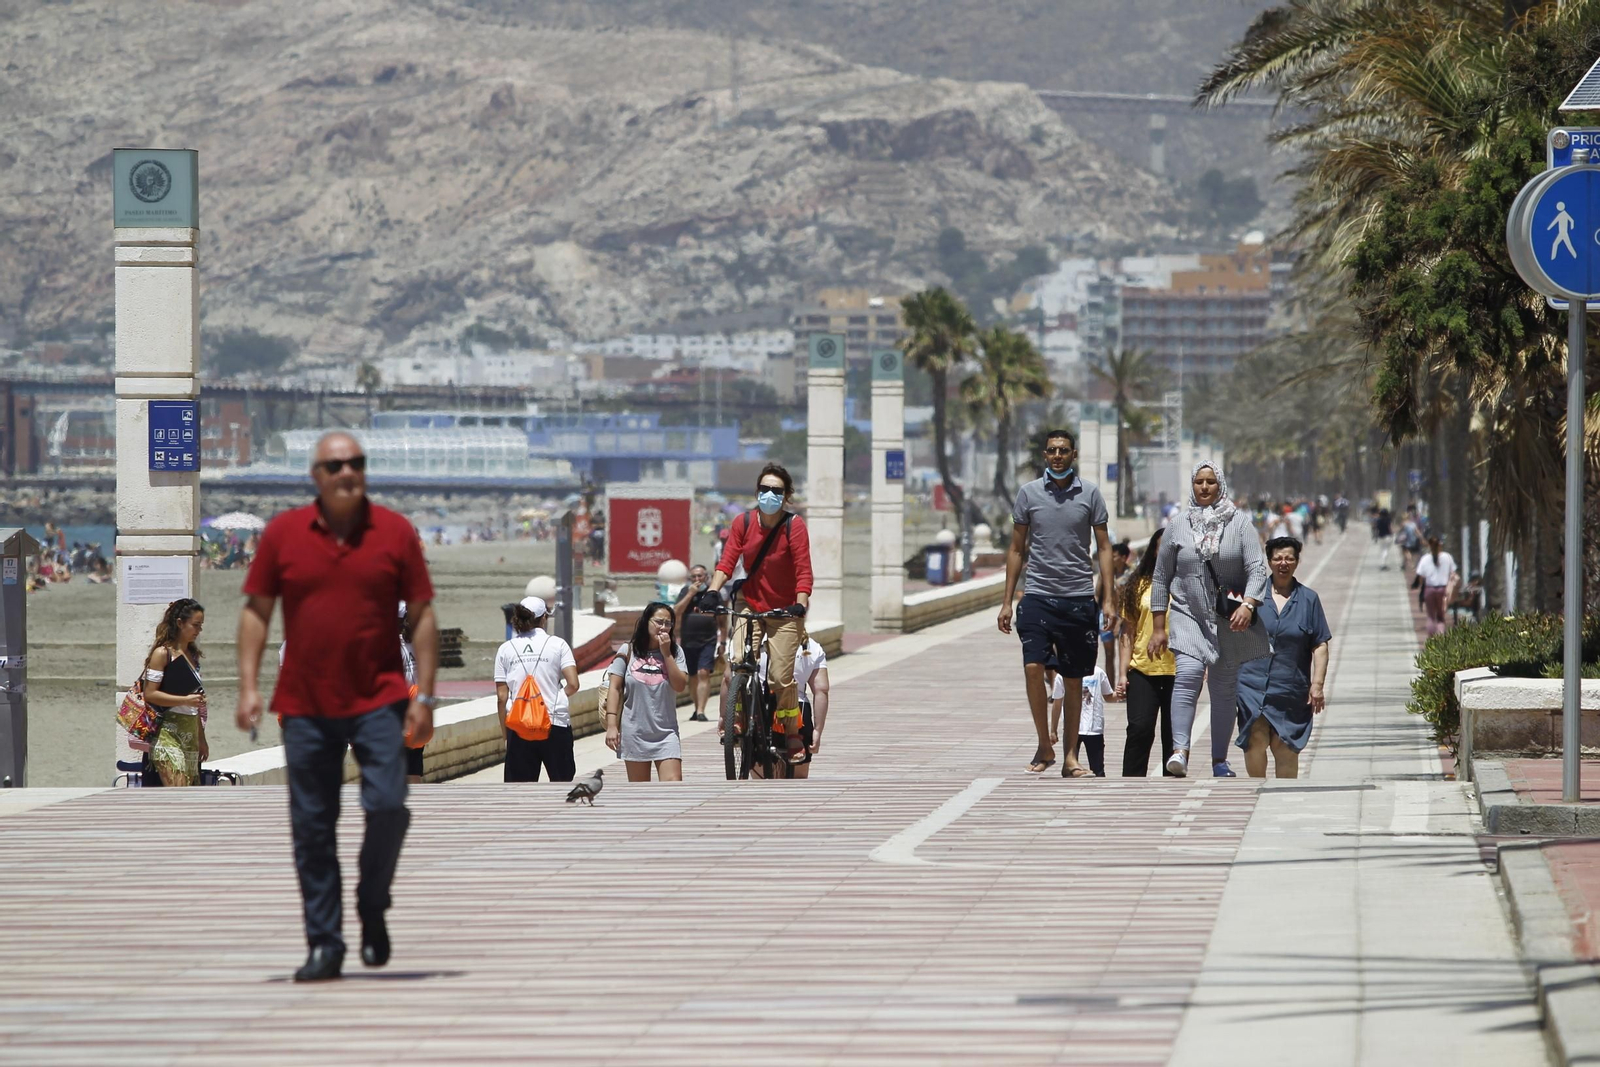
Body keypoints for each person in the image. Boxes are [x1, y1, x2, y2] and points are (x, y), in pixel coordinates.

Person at [236, 431, 439, 983]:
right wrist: (249, 686)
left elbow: (421, 615)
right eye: (334, 465)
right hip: (305, 704)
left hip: (380, 699)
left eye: (356, 463)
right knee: (312, 824)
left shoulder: (395, 532)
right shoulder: (284, 534)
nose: (346, 472)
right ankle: (325, 942)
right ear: (316, 475)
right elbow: (256, 612)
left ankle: (372, 901)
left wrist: (425, 695)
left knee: (390, 805)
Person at [998, 429, 1118, 778]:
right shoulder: (1028, 494)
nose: (1057, 456)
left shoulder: (1091, 494)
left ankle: (1069, 757)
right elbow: (1017, 549)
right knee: (1033, 667)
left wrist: (1108, 599)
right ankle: (1043, 744)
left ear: (1073, 454)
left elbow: (1105, 548)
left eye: (1063, 450)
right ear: (1044, 455)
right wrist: (1006, 601)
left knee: (1074, 679)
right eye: (1051, 450)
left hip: (1079, 598)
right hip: (1037, 595)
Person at [1148, 461, 1269, 778]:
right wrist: (1158, 627)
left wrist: (1250, 605)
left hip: (1229, 618)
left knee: (1224, 687)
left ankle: (1219, 760)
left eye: (1211, 482)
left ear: (1221, 485)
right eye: (1199, 482)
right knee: (1187, 675)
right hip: (1187, 612)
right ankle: (1179, 751)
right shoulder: (1178, 525)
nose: (1204, 487)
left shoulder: (1240, 524)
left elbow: (1257, 568)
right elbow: (1161, 578)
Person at [700, 463, 813, 764]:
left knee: (779, 677)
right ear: (756, 492)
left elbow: (803, 571)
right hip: (749, 603)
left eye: (776, 490)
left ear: (786, 495)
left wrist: (800, 603)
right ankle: (736, 718)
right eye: (764, 489)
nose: (769, 495)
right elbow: (727, 562)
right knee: (737, 661)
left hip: (786, 610)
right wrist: (713, 591)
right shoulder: (744, 522)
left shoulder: (794, 526)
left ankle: (791, 732)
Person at [1235, 537, 1331, 778]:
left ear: (1297, 562)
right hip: (1251, 685)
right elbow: (1230, 635)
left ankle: (1282, 796)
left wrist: (1317, 685)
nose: (1283, 563)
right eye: (1277, 558)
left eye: (1289, 558)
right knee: (1255, 737)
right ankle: (1255, 788)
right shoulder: (1251, 597)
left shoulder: (1309, 599)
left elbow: (1320, 644)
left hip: (1290, 689)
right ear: (1269, 562)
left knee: (1284, 745)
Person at [495, 596, 581, 782]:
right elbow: (573, 684)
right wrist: (557, 695)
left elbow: (502, 698)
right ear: (544, 619)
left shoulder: (505, 649)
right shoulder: (558, 645)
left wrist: (506, 736)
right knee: (562, 785)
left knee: (519, 792)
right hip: (555, 722)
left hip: (519, 727)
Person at [604, 603, 689, 781]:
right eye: (659, 622)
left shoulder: (675, 652)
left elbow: (680, 685)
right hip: (634, 732)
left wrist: (666, 655)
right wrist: (612, 726)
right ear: (646, 621)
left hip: (666, 732)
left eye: (668, 623)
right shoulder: (628, 650)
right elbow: (614, 688)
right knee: (640, 790)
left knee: (673, 786)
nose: (664, 627)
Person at [1117, 527, 1178, 777]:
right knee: (1139, 729)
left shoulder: (1190, 585)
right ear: (1154, 550)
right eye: (1162, 546)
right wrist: (1122, 673)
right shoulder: (1137, 585)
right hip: (1142, 668)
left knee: (1174, 736)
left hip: (1179, 670)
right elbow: (1127, 632)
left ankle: (1173, 789)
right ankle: (1130, 783)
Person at [138, 598, 209, 787]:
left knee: (189, 792)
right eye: (195, 625)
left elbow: (196, 705)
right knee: (178, 793)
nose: (198, 631)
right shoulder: (163, 654)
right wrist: (185, 699)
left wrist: (202, 739)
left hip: (190, 732)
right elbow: (150, 694)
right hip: (167, 733)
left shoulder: (192, 656)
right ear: (179, 623)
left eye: (200, 626)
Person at [757, 634, 830, 779]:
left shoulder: (752, 640)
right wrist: (817, 730)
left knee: (761, 779)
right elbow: (821, 689)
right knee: (798, 779)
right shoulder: (811, 646)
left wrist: (723, 717)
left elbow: (728, 679)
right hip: (798, 710)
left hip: (760, 708)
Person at [673, 563, 726, 722]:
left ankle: (702, 710)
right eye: (694, 577)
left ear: (706, 577)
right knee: (693, 676)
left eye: (700, 576)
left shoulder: (713, 594)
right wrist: (690, 594)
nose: (697, 579)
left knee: (704, 672)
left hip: (708, 640)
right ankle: (696, 709)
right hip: (688, 641)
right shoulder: (685, 592)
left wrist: (722, 643)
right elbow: (676, 612)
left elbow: (723, 621)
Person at [1071, 662, 1114, 777]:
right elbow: (1057, 701)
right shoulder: (1064, 673)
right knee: (1070, 767)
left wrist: (1120, 695)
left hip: (1094, 727)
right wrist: (1053, 729)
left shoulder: (1098, 672)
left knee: (1098, 768)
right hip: (1072, 729)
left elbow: (1109, 696)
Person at [1415, 535, 1459, 636]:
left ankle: (1431, 638)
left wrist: (1423, 585)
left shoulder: (1425, 559)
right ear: (1440, 545)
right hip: (1443, 589)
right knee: (1440, 616)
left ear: (1429, 545)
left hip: (1430, 589)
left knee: (1431, 616)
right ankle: (1441, 637)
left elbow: (1421, 576)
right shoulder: (1447, 557)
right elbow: (1453, 573)